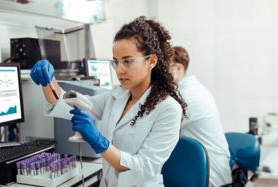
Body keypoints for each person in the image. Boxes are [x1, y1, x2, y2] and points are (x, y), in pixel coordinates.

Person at [30, 16, 187, 187]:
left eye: (127, 61)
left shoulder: (169, 109)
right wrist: (48, 81)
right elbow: (69, 104)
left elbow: (143, 169)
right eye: (116, 62)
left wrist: (99, 142)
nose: (119, 70)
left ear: (151, 61)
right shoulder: (117, 95)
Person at [170, 46, 232, 186]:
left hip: (211, 177)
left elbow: (157, 130)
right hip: (201, 170)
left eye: (164, 67)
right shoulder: (190, 90)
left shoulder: (188, 96)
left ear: (178, 68)